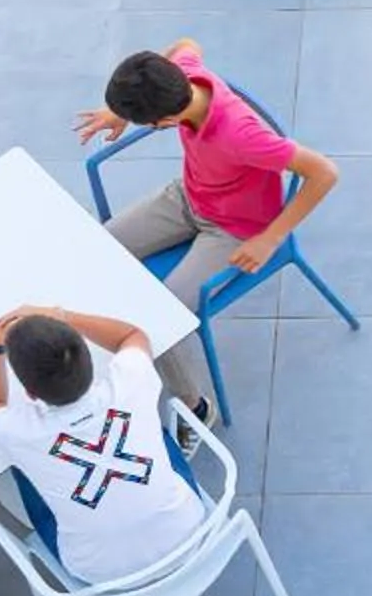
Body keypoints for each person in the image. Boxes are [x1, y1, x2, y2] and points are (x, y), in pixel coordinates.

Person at [73, 37, 341, 423]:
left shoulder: (243, 136)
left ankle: (195, 408)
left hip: (234, 230)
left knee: (160, 319)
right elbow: (187, 43)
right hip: (188, 196)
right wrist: (121, 113)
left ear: (165, 122)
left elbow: (324, 172)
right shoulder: (184, 73)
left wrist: (270, 238)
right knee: (97, 251)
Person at [0, 304, 209, 586]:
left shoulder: (20, 433)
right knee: (153, 429)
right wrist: (63, 317)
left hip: (99, 572)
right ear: (90, 361)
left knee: (22, 468)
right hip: (187, 531)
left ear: (30, 394)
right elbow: (131, 335)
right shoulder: (132, 382)